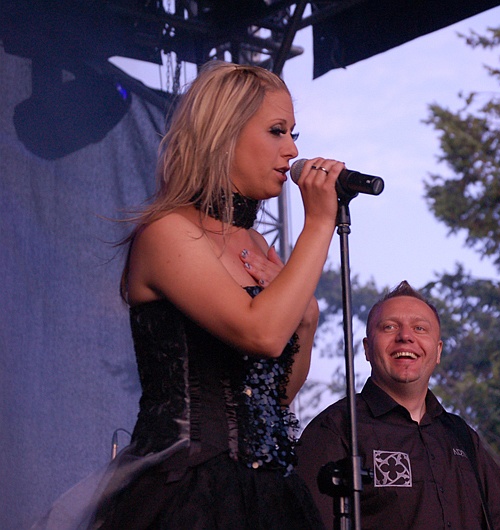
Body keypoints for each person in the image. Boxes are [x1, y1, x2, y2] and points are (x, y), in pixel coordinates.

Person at [33, 60, 343, 529]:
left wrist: (307, 317)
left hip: (269, 491)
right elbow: (258, 333)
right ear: (224, 135)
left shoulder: (257, 244)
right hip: (186, 486)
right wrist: (319, 223)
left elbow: (272, 399)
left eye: (293, 133)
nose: (293, 150)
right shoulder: (167, 233)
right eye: (277, 131)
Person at [296, 281, 500, 529]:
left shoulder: (462, 437)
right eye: (389, 327)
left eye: (420, 328)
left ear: (438, 351)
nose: (405, 337)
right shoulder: (338, 427)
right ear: (367, 349)